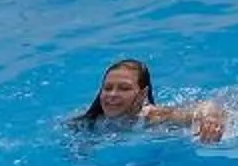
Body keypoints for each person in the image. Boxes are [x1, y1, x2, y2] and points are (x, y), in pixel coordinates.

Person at [79, 58, 227, 142]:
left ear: (143, 94)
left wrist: (211, 118)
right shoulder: (91, 120)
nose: (112, 94)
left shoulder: (156, 118)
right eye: (108, 88)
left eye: (124, 88)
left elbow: (207, 106)